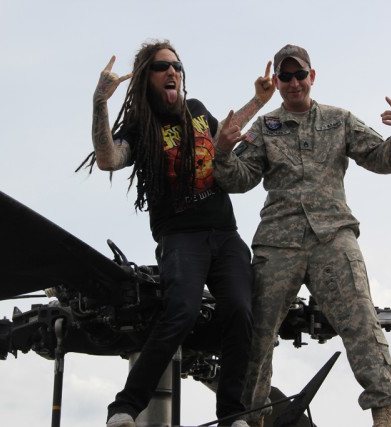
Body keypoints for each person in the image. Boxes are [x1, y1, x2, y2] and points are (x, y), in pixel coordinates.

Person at [213, 44, 391, 427]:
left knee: (360, 318)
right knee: (257, 333)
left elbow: (381, 159)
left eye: (299, 75)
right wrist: (223, 152)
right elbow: (238, 180)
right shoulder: (264, 127)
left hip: (332, 234)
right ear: (276, 82)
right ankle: (251, 417)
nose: (294, 83)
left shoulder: (339, 120)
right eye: (286, 77)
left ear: (312, 76)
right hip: (279, 241)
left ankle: (383, 412)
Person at [87, 40, 275, 427]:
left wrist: (257, 101)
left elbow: (226, 131)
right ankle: (125, 406)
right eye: (161, 67)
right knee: (182, 311)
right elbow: (107, 157)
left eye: (176, 65)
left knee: (241, 311)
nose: (171, 71)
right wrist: (100, 104)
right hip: (181, 238)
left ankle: (232, 414)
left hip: (224, 234)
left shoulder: (196, 110)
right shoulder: (140, 128)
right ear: (145, 79)